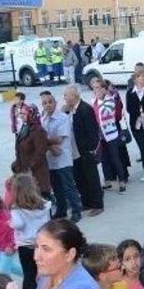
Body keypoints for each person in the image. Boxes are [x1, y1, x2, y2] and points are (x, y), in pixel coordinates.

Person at [40, 91, 83, 222]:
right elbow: (41, 139)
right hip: (50, 159)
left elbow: (58, 139)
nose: (48, 105)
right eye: (44, 103)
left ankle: (76, 211)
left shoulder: (62, 118)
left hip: (63, 159)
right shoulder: (43, 119)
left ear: (55, 103)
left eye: (50, 102)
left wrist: (45, 140)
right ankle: (61, 210)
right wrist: (48, 144)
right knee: (56, 188)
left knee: (68, 186)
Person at [8, 173, 51, 289]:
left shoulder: (16, 209)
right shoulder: (44, 204)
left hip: (26, 246)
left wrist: (10, 224)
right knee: (44, 271)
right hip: (41, 244)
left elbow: (19, 224)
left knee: (29, 275)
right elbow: (49, 221)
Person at [63, 86, 105, 216]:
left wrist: (91, 150)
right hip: (75, 150)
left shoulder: (85, 109)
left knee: (91, 177)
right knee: (80, 178)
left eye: (66, 95)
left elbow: (92, 133)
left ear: (74, 96)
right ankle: (86, 202)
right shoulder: (70, 110)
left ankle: (97, 204)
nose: (64, 98)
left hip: (86, 151)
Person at [91, 78, 130, 193]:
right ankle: (107, 181)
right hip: (100, 135)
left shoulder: (110, 100)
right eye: (94, 88)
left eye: (98, 88)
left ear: (104, 89)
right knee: (104, 159)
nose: (96, 91)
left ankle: (122, 181)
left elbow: (103, 112)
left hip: (111, 134)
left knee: (115, 158)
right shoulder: (94, 101)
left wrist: (97, 104)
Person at [12, 103, 52, 197]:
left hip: (36, 173)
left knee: (40, 201)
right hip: (25, 173)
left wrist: (29, 168)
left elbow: (40, 152)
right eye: (20, 113)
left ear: (31, 114)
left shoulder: (38, 130)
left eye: (24, 114)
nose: (21, 116)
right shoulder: (24, 128)